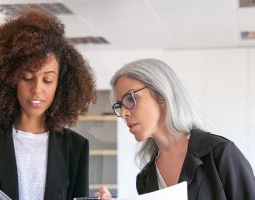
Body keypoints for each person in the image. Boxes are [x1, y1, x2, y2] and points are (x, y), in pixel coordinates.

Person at [0, 6, 96, 200]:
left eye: (48, 80)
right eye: (27, 77)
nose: (37, 89)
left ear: (60, 85)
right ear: (9, 79)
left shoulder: (76, 147)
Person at [95, 59, 255, 199]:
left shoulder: (219, 153)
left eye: (130, 99)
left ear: (161, 94)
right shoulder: (145, 179)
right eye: (119, 106)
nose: (123, 113)